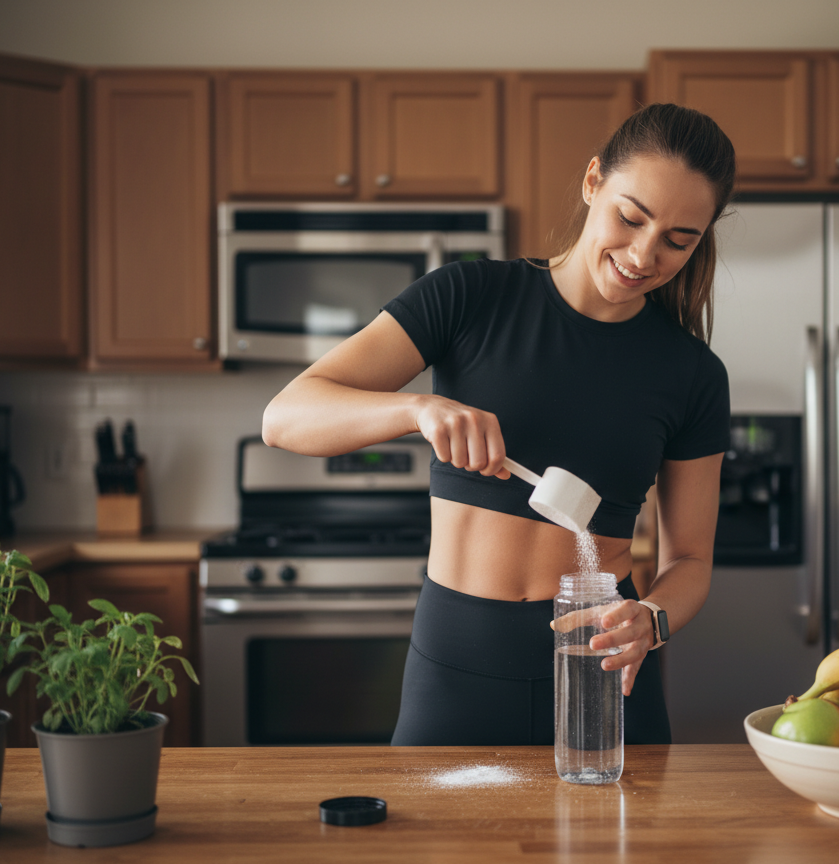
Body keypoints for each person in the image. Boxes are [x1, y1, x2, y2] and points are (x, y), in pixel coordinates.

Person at [261, 103, 736, 746]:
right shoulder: (469, 297)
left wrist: (651, 618)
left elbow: (690, 560)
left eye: (679, 240)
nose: (644, 254)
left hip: (603, 673)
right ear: (594, 181)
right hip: (455, 669)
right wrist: (416, 410)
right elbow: (285, 416)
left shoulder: (692, 373)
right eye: (631, 216)